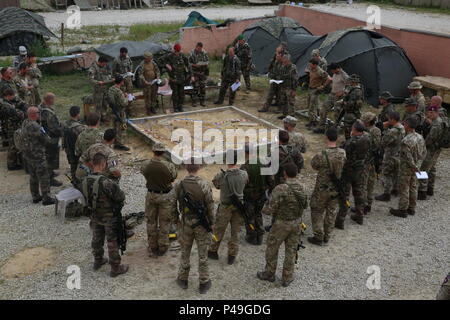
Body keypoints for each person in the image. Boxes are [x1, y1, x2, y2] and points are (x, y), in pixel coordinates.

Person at [257, 163, 308, 287]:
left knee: (272, 247)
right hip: (297, 223)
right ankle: (287, 277)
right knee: (291, 250)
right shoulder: (303, 187)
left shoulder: (280, 188)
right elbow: (305, 205)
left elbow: (268, 210)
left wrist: (264, 206)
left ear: (285, 173)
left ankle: (269, 273)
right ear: (296, 173)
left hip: (281, 223)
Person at [81, 152, 128, 277]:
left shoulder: (85, 180)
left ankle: (98, 260)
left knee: (97, 238)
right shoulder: (106, 182)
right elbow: (120, 196)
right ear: (103, 164)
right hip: (109, 216)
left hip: (94, 215)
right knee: (112, 241)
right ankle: (115, 267)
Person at [174, 161, 215, 294]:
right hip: (201, 224)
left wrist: (176, 220)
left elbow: (171, 202)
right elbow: (210, 205)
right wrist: (212, 222)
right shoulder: (204, 184)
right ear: (198, 168)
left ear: (186, 168)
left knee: (185, 251)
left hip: (186, 222)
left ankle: (182, 279)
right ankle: (204, 282)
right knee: (203, 253)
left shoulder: (179, 184)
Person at [208, 150, 248, 265]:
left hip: (225, 208)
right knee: (235, 233)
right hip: (239, 208)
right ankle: (232, 256)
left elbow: (216, 185)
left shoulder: (220, 176)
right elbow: (245, 184)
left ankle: (213, 250)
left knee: (218, 230)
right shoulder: (244, 174)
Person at [309, 127, 346, 245]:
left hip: (321, 188)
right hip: (336, 188)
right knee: (331, 211)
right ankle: (327, 235)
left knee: (317, 210)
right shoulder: (342, 153)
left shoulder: (321, 155)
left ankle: (318, 236)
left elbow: (314, 166)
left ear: (326, 137)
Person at [141, 142, 178, 257]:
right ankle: (163, 246)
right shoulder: (169, 166)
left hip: (151, 195)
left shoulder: (145, 164)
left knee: (151, 221)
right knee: (164, 222)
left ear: (153, 151)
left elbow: (143, 173)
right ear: (163, 152)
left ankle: (152, 246)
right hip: (165, 196)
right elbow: (173, 177)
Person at [335, 120, 370, 228]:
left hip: (348, 172)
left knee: (344, 195)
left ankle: (340, 220)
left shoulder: (351, 142)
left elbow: (342, 153)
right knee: (359, 193)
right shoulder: (367, 138)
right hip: (360, 170)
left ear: (354, 130)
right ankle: (360, 216)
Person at [390, 117, 426, 218]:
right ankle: (412, 208)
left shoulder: (406, 140)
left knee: (404, 187)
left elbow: (408, 156)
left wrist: (413, 166)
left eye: (405, 124)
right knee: (413, 186)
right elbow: (424, 152)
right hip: (416, 167)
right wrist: (418, 165)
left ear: (408, 126)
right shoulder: (420, 137)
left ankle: (402, 209)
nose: (403, 125)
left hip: (407, 168)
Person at [241, 144, 274, 245]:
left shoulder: (245, 167)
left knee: (249, 217)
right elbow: (271, 181)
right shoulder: (264, 163)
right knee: (258, 214)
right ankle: (260, 235)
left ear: (246, 153)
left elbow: (242, 184)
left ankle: (251, 236)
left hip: (249, 197)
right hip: (261, 195)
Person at [21, 107, 55, 205]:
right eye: (38, 113)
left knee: (33, 176)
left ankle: (35, 196)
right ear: (34, 114)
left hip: (28, 154)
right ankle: (46, 197)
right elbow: (46, 139)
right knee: (44, 175)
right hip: (38, 155)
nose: (39, 114)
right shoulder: (35, 126)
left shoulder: (25, 123)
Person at [375, 111, 405, 202]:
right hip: (398, 154)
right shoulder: (402, 128)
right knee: (396, 173)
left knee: (387, 173)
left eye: (389, 119)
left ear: (392, 119)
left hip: (390, 155)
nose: (388, 121)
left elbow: (383, 142)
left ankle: (386, 194)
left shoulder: (393, 131)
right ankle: (395, 189)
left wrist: (384, 130)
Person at [418, 105, 444, 200]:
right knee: (432, 168)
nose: (430, 114)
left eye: (432, 112)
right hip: (436, 149)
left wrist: (423, 145)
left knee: (423, 169)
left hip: (431, 149)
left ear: (437, 113)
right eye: (429, 112)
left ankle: (422, 191)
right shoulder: (437, 121)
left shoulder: (436, 124)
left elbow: (431, 138)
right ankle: (430, 188)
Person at [314, 63, 349, 134]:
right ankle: (321, 127)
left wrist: (342, 92)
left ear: (336, 69)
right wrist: (324, 86)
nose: (332, 72)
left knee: (337, 113)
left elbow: (350, 86)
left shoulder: (344, 75)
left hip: (339, 97)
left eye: (332, 70)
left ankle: (336, 129)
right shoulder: (335, 74)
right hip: (332, 95)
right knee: (323, 109)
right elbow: (332, 81)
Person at [39, 92, 63, 186]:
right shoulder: (48, 112)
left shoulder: (41, 106)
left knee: (48, 156)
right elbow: (53, 128)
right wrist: (62, 131)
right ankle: (50, 179)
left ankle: (51, 172)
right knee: (50, 158)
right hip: (50, 138)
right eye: (53, 99)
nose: (54, 101)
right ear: (50, 100)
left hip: (45, 135)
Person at [361, 112, 381, 213]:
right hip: (373, 161)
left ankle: (363, 206)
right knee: (371, 183)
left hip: (365, 161)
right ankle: (369, 203)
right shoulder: (377, 130)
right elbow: (377, 146)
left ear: (367, 122)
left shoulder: (365, 133)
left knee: (363, 184)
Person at [0, 89, 25, 170]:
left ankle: (15, 162)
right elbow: (18, 115)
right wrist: (21, 112)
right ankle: (11, 165)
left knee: (14, 144)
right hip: (11, 127)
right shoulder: (6, 105)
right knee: (13, 145)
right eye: (13, 95)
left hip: (9, 126)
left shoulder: (4, 102)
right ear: (8, 96)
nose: (14, 97)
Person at [166, 43, 192, 112]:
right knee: (175, 94)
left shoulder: (182, 56)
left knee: (181, 94)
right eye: (176, 51)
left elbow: (188, 65)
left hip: (182, 79)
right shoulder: (169, 56)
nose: (177, 53)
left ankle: (180, 106)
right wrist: (168, 68)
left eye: (178, 51)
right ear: (174, 50)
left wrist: (189, 74)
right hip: (174, 79)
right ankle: (175, 108)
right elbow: (163, 63)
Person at [107, 75, 130, 151]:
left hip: (112, 111)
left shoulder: (111, 89)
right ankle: (120, 144)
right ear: (122, 82)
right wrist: (127, 98)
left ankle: (114, 141)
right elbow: (124, 103)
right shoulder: (119, 91)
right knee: (121, 128)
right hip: (119, 112)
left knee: (114, 127)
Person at [63, 106, 86, 179]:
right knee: (79, 167)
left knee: (72, 166)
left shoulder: (65, 124)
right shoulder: (78, 127)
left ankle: (74, 180)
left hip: (68, 149)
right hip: (76, 151)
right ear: (77, 114)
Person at [306, 59, 329, 129]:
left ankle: (313, 122)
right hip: (310, 89)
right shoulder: (312, 69)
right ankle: (311, 121)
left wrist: (323, 86)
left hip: (315, 90)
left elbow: (329, 79)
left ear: (315, 65)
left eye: (310, 64)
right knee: (309, 105)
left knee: (312, 107)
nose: (309, 65)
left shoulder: (320, 71)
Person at [339, 74, 364, 140]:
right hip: (352, 112)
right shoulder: (355, 89)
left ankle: (349, 142)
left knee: (348, 128)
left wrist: (344, 103)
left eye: (351, 81)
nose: (350, 82)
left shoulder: (356, 91)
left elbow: (350, 104)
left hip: (351, 113)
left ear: (354, 82)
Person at [89, 56, 113, 122]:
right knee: (98, 106)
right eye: (104, 64)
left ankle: (103, 116)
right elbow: (90, 79)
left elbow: (108, 73)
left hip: (105, 89)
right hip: (98, 90)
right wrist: (98, 82)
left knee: (105, 104)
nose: (105, 65)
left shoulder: (104, 66)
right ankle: (97, 120)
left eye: (105, 64)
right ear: (100, 62)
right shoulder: (93, 68)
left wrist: (109, 78)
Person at [188, 42, 209, 107]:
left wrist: (206, 63)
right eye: (198, 49)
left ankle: (202, 101)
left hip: (202, 73)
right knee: (195, 88)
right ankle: (194, 102)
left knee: (203, 88)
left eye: (201, 49)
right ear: (196, 47)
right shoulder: (191, 53)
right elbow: (189, 64)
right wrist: (192, 75)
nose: (200, 50)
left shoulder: (204, 52)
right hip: (195, 73)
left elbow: (208, 61)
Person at [278, 54, 298, 120]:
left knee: (291, 102)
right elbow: (280, 76)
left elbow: (295, 79)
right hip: (283, 86)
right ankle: (284, 114)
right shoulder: (283, 67)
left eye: (285, 62)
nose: (284, 63)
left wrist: (294, 90)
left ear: (288, 61)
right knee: (283, 101)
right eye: (283, 62)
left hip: (290, 87)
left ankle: (292, 116)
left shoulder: (293, 68)